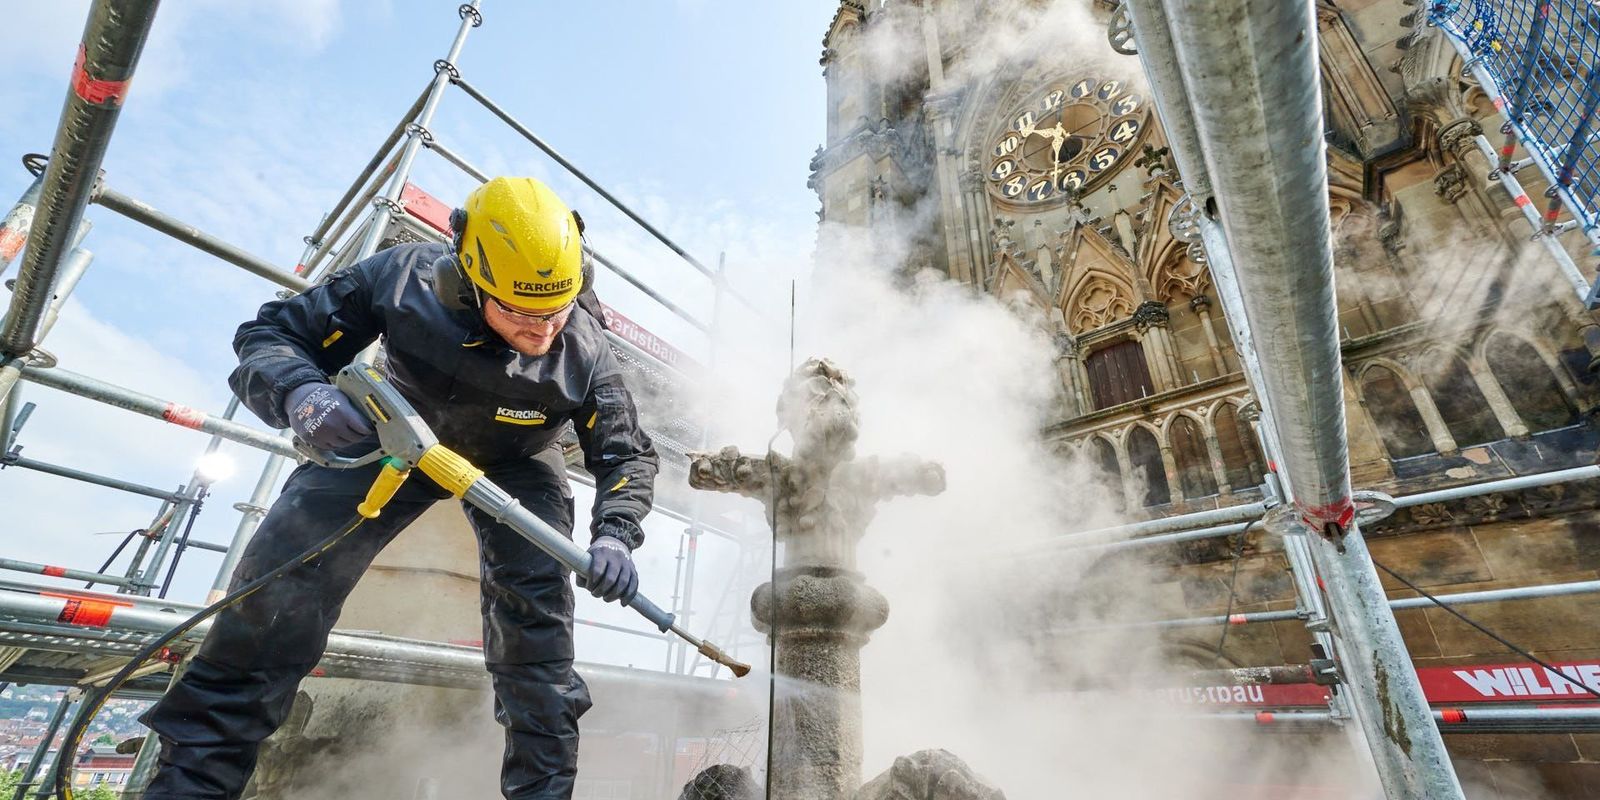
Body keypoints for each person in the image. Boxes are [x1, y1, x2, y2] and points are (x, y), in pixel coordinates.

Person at [141, 176, 659, 799]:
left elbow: (625, 453)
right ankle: (190, 785)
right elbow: (273, 336)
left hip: (518, 461)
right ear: (464, 282)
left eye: (556, 311)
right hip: (398, 430)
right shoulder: (400, 278)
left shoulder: (588, 348)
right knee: (279, 595)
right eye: (520, 311)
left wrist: (617, 534)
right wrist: (299, 393)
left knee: (538, 632)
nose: (543, 330)